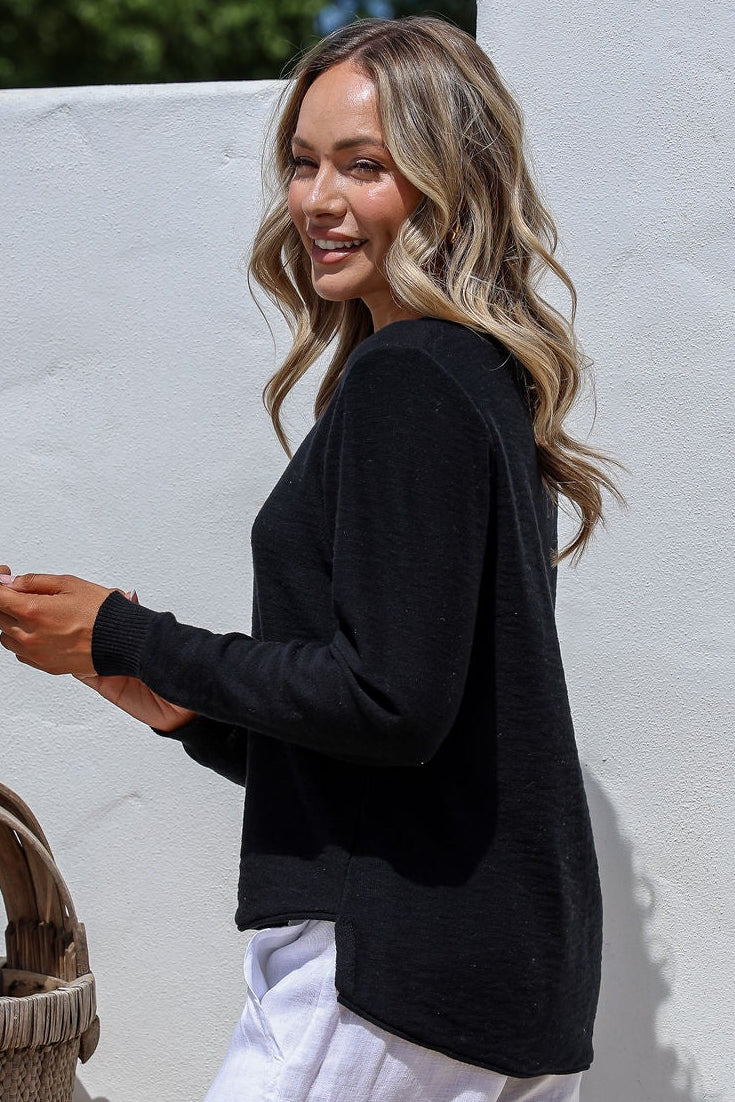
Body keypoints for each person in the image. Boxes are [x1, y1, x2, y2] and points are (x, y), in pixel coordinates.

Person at [0, 17, 622, 1102]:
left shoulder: (410, 377)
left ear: (449, 183)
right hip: (480, 970)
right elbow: (411, 735)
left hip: (386, 971)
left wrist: (127, 633)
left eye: (363, 165)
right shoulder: (476, 378)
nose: (318, 200)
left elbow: (390, 704)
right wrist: (184, 710)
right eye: (303, 162)